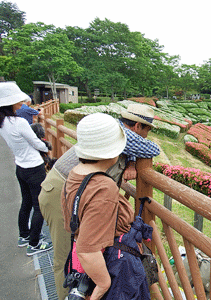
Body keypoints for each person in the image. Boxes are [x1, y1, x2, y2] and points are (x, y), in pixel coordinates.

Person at [38, 103, 160, 300]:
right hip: (62, 189)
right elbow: (153, 149)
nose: (147, 134)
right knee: (67, 257)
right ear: (138, 126)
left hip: (72, 186)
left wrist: (130, 160)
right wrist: (103, 284)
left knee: (78, 254)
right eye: (147, 129)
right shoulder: (114, 133)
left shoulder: (103, 131)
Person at [61, 113, 150, 299]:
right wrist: (103, 284)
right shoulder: (104, 186)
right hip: (101, 266)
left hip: (80, 264)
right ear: (112, 152)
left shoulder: (75, 173)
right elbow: (87, 249)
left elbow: (72, 226)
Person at [0, 82, 53, 256]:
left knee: (26, 202)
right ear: (9, 102)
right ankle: (34, 243)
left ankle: (24, 235)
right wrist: (46, 147)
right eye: (17, 100)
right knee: (39, 206)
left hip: (20, 167)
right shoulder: (19, 122)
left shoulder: (1, 122)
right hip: (34, 168)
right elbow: (36, 142)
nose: (20, 103)